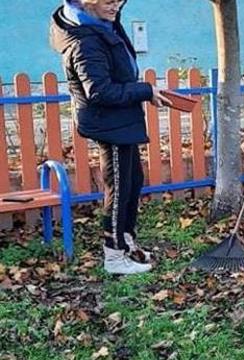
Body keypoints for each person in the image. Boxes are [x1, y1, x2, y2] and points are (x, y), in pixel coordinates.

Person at [51, 0, 172, 274]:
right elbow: (100, 91)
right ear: (86, 2)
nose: (116, 5)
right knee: (118, 189)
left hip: (122, 119)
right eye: (109, 1)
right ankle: (114, 257)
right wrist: (145, 91)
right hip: (108, 122)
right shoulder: (84, 41)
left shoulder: (103, 23)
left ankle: (127, 241)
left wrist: (146, 92)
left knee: (132, 182)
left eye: (120, 0)